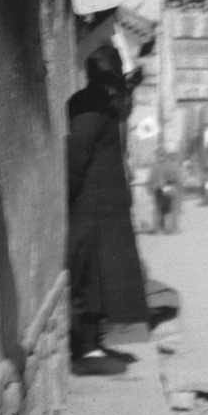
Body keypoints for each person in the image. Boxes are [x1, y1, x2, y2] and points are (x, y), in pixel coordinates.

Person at [66, 45, 148, 364]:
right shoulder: (94, 104)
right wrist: (70, 192)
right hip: (94, 202)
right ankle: (88, 346)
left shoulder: (101, 102)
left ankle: (93, 341)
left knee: (100, 274)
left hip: (102, 202)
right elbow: (78, 153)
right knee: (92, 273)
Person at [148, 147, 182, 234]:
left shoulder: (156, 166)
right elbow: (177, 178)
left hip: (161, 188)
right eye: (159, 154)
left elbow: (151, 179)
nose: (159, 156)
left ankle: (162, 228)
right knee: (167, 208)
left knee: (162, 208)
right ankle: (168, 228)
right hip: (165, 188)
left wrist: (150, 188)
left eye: (160, 154)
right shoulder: (169, 165)